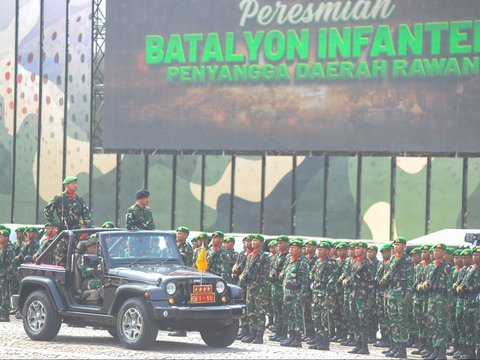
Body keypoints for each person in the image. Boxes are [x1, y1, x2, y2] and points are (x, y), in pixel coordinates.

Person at [380, 236, 413, 359]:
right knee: (393, 321)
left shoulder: (407, 260)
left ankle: (402, 349)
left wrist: (408, 295)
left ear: (404, 246)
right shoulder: (393, 258)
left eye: (398, 245)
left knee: (401, 322)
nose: (396, 246)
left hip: (401, 294)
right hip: (392, 293)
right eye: (395, 245)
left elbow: (410, 279)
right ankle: (395, 346)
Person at [417, 243, 452, 360]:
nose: (436, 252)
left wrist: (449, 303)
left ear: (444, 252)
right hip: (431, 299)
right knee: (432, 326)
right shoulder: (430, 266)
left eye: (439, 250)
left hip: (441, 300)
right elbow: (426, 281)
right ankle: (435, 350)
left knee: (441, 326)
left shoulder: (447, 266)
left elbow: (449, 287)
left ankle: (441, 353)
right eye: (435, 250)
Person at [343, 241, 374, 355]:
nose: (356, 250)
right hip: (354, 294)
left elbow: (371, 282)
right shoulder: (354, 262)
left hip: (363, 296)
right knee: (354, 319)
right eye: (356, 248)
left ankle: (364, 346)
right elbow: (351, 277)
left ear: (365, 250)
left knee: (363, 321)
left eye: (359, 248)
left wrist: (370, 298)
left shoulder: (368, 263)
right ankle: (357, 344)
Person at [280, 237, 310, 348]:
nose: (291, 249)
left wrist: (302, 294)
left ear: (300, 249)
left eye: (294, 248)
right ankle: (291, 337)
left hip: (297, 293)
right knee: (289, 315)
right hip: (288, 292)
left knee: (297, 316)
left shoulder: (303, 261)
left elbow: (305, 279)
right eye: (290, 247)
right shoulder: (289, 259)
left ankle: (297, 339)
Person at [240, 234, 270, 344]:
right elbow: (246, 270)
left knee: (260, 312)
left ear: (261, 243)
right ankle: (251, 333)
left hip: (260, 288)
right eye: (253, 240)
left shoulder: (264, 257)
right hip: (250, 287)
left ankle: (259, 335)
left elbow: (266, 274)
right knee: (250, 311)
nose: (253, 242)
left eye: (256, 241)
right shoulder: (250, 256)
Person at [308, 241, 337, 350]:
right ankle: (318, 339)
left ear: (328, 251)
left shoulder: (331, 263)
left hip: (325, 295)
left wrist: (328, 295)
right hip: (316, 294)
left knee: (325, 319)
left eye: (321, 250)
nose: (319, 251)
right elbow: (312, 272)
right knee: (316, 318)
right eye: (318, 249)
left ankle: (325, 342)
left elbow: (332, 280)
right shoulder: (318, 262)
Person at [456, 247, 480, 359]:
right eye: (474, 254)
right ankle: (470, 352)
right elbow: (463, 282)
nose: (476, 256)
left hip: (477, 303)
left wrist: (468, 288)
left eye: (478, 255)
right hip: (468, 303)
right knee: (468, 327)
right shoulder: (470, 269)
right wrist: (460, 287)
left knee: (478, 328)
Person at [268, 236, 290, 342]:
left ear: (287, 244)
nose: (279, 245)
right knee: (277, 311)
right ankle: (278, 332)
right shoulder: (277, 256)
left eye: (281, 243)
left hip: (282, 287)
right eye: (278, 244)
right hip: (275, 286)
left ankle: (283, 334)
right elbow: (272, 268)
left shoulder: (288, 257)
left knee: (283, 311)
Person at [233, 235, 253, 340]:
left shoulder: (253, 255)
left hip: (249, 284)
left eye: (248, 242)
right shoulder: (242, 254)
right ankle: (244, 329)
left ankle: (249, 330)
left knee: (251, 308)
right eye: (244, 242)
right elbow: (237, 266)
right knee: (243, 307)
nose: (246, 244)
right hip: (241, 283)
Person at [374, 244, 392, 349]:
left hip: (386, 293)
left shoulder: (391, 264)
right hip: (379, 293)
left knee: (387, 317)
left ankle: (388, 339)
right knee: (381, 316)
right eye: (382, 252)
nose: (384, 254)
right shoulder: (381, 264)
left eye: (386, 252)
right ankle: (384, 337)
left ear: (390, 252)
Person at [0, 230, 14, 322]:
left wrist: (7, 274)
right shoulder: (1, 247)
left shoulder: (9, 248)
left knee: (5, 295)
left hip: (4, 275)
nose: (0, 238)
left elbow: (11, 263)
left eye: (1, 236)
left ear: (6, 238)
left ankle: (5, 315)